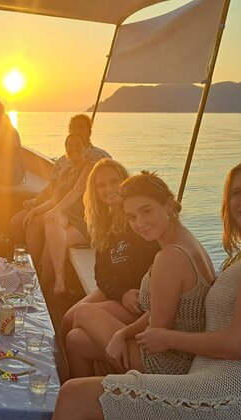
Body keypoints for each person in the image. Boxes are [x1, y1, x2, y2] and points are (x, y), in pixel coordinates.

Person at [44, 158, 241, 420]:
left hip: (238, 402)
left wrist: (169, 338)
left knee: (74, 396)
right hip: (215, 386)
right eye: (237, 193)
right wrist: (127, 332)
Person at [65, 171, 215, 378]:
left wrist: (122, 337)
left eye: (146, 211)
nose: (139, 223)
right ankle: (92, 396)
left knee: (83, 312)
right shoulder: (187, 241)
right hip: (184, 355)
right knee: (75, 340)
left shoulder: (170, 257)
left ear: (169, 206)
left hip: (168, 365)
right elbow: (157, 314)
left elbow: (156, 336)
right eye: (132, 217)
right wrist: (121, 334)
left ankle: (104, 391)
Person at [60, 159, 160, 367]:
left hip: (139, 299)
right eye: (101, 185)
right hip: (119, 291)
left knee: (78, 324)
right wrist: (120, 292)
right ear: (94, 191)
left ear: (125, 181)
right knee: (67, 320)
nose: (108, 189)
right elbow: (101, 273)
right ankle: (69, 379)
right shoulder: (104, 221)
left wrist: (127, 294)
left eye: (114, 182)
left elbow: (152, 270)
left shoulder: (138, 220)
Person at [10, 114, 108, 265]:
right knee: (17, 221)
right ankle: (26, 263)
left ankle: (36, 267)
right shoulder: (63, 161)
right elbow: (52, 187)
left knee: (36, 222)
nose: (77, 130)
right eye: (74, 127)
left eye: (81, 127)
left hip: (78, 212)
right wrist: (36, 201)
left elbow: (103, 189)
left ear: (89, 131)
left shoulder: (100, 158)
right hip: (57, 204)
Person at [40, 115, 112, 294]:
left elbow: (77, 191)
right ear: (65, 149)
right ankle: (48, 283)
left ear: (85, 147)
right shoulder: (65, 171)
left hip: (88, 221)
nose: (74, 149)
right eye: (69, 146)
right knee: (52, 224)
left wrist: (55, 209)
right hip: (72, 217)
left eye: (77, 145)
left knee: (54, 241)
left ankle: (53, 281)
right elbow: (55, 197)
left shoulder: (91, 166)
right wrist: (38, 209)